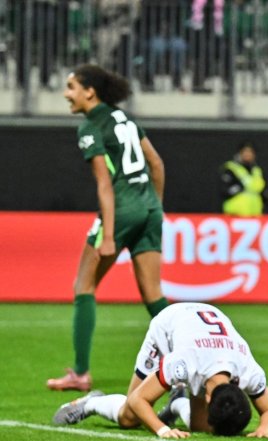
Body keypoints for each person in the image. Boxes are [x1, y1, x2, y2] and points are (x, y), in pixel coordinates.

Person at [48, 64, 170, 392]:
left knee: (83, 285)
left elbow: (105, 184)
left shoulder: (91, 126)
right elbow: (156, 164)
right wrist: (155, 207)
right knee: (154, 295)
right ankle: (190, 360)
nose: (66, 94)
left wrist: (109, 235)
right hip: (149, 207)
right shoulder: (125, 119)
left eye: (71, 87)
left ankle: (80, 373)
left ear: (90, 92)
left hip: (122, 209)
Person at [52, 302, 268, 439]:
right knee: (129, 416)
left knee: (201, 427)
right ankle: (91, 403)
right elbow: (138, 400)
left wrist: (264, 427)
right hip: (168, 324)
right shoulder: (184, 363)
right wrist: (162, 430)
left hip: (203, 335)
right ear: (208, 398)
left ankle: (176, 403)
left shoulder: (249, 371)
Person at [219, 141, 268, 216]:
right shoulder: (231, 168)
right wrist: (239, 187)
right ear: (239, 153)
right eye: (245, 151)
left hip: (255, 215)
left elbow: (264, 192)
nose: (248, 154)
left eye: (250, 152)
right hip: (235, 214)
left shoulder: (257, 171)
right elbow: (224, 191)